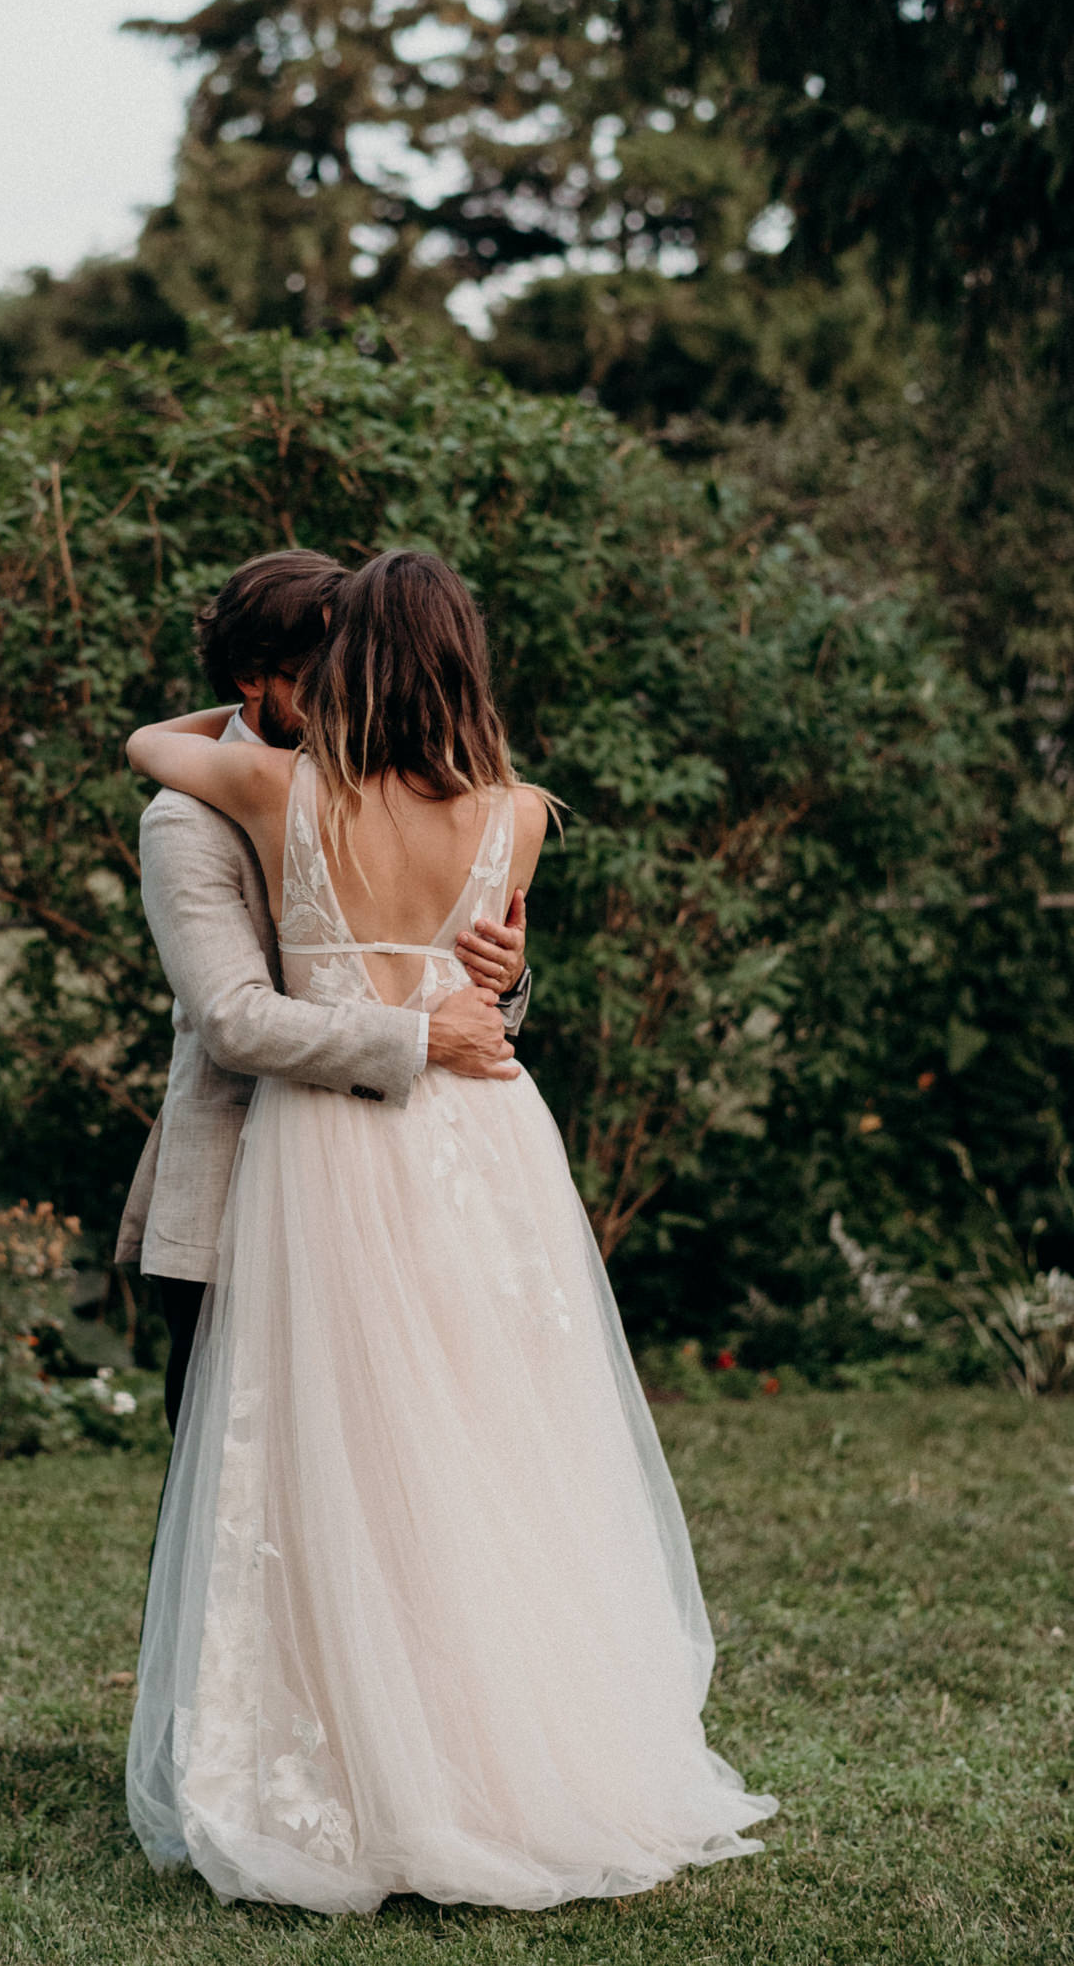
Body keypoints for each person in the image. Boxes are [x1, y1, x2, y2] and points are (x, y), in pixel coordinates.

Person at [123, 549, 778, 1915]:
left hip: (346, 1154)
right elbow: (263, 1012)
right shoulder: (516, 813)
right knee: (418, 1449)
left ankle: (400, 1758)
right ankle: (427, 1747)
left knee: (420, 1450)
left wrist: (491, 988)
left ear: (350, 667)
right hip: (459, 1145)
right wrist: (440, 1009)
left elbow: (150, 741)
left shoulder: (278, 788)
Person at [115, 550, 533, 1431]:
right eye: (315, 681)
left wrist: (505, 978)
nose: (342, 702)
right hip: (237, 1196)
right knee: (231, 1500)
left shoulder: (383, 791)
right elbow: (233, 1017)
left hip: (402, 1185)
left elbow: (459, 995)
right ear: (250, 682)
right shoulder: (186, 815)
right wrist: (424, 1043)